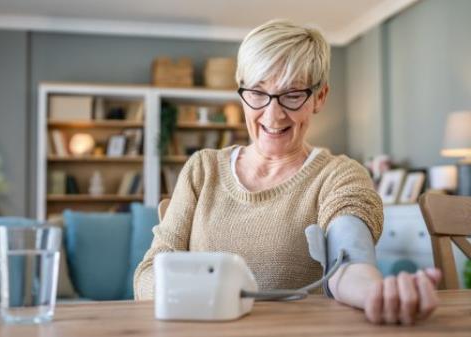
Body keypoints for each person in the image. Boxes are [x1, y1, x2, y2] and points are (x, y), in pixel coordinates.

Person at [134, 19, 441, 325]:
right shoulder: (202, 169)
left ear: (319, 97)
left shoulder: (340, 175)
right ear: (241, 92)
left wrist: (375, 292)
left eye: (292, 95)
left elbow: (349, 263)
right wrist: (202, 296)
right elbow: (149, 272)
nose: (273, 114)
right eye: (257, 92)